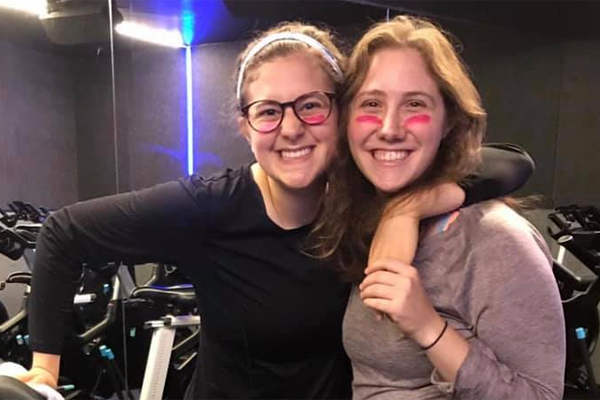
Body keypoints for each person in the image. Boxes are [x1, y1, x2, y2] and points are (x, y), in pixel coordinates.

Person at [19, 21, 533, 399]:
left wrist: (405, 208)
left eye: (310, 105)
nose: (290, 129)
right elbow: (63, 233)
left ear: (342, 112)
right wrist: (45, 366)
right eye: (267, 112)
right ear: (245, 127)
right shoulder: (207, 206)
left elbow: (509, 161)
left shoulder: (365, 191)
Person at [311, 15, 565, 400]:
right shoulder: (364, 215)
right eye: (372, 103)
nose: (390, 127)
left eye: (415, 103)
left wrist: (428, 327)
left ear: (447, 122)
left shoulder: (495, 238)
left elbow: (542, 396)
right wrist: (403, 210)